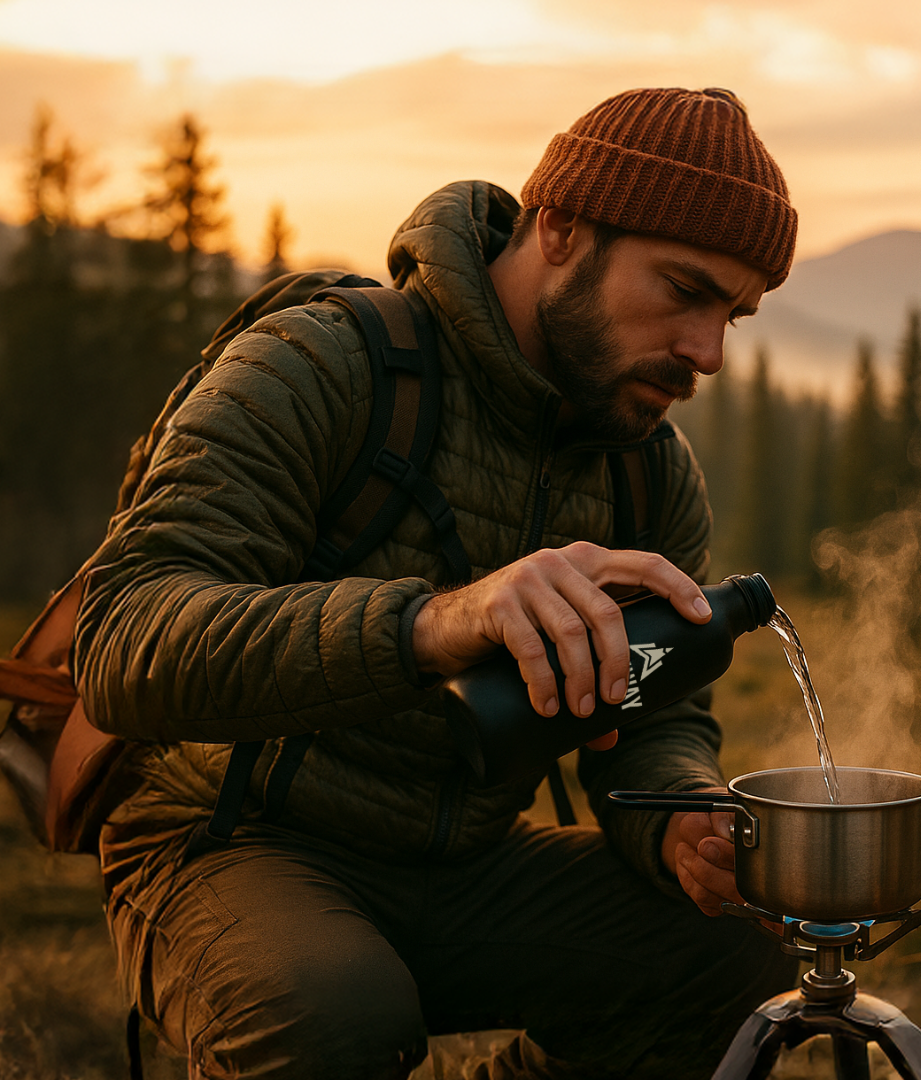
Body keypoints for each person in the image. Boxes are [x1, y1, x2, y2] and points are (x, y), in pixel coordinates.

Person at [74, 87, 800, 1079]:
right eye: (684, 290)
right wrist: (433, 625)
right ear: (561, 225)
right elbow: (122, 640)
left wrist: (680, 818)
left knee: (741, 952)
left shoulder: (648, 469)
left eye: (737, 314)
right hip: (231, 841)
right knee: (334, 1014)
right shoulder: (328, 362)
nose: (709, 352)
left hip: (466, 871)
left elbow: (657, 713)